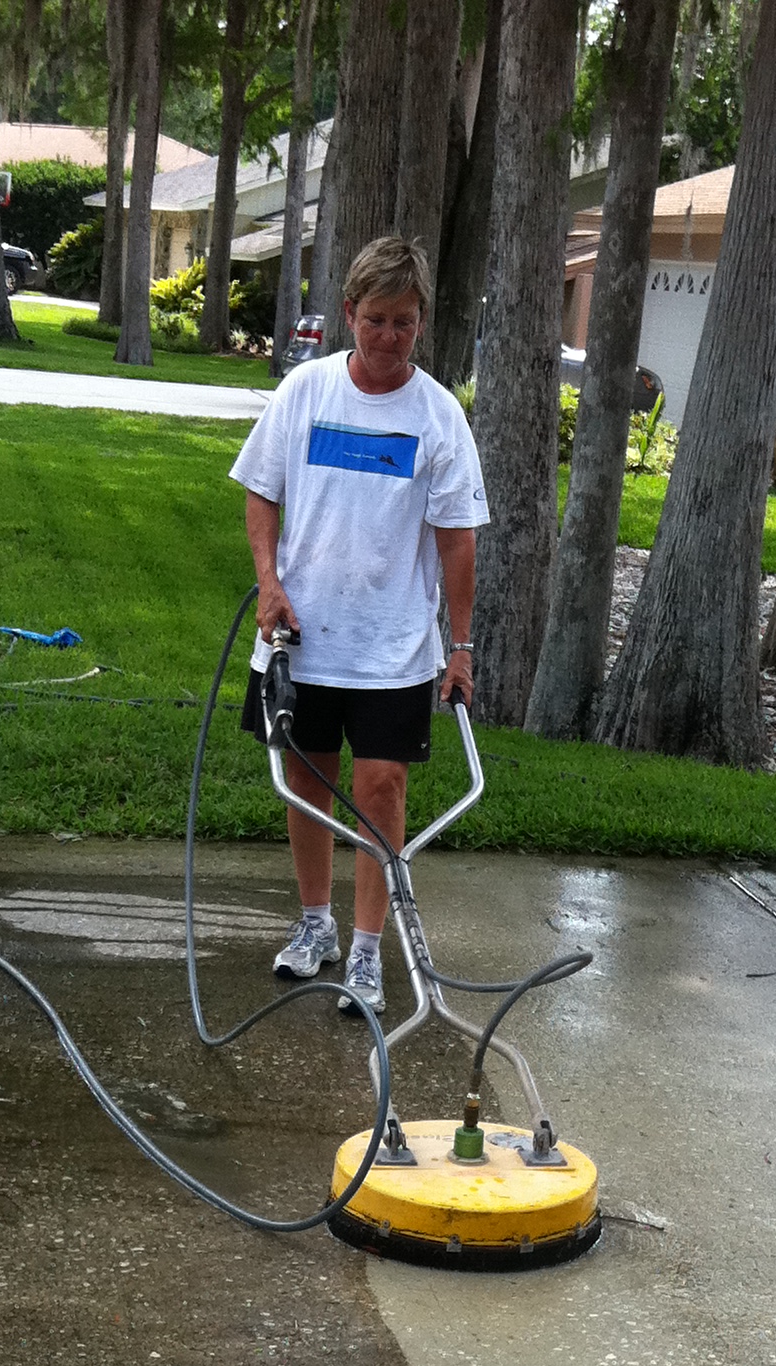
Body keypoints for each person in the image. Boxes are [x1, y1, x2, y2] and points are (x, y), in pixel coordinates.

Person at [228, 234, 487, 1017]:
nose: (388, 338)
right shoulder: (304, 394)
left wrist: (463, 646)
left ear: (421, 323)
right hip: (300, 637)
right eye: (375, 320)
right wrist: (268, 584)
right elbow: (260, 493)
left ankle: (369, 953)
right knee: (308, 781)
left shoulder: (438, 417)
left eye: (404, 323)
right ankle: (315, 927)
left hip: (393, 647)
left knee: (381, 790)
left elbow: (458, 540)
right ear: (349, 314)